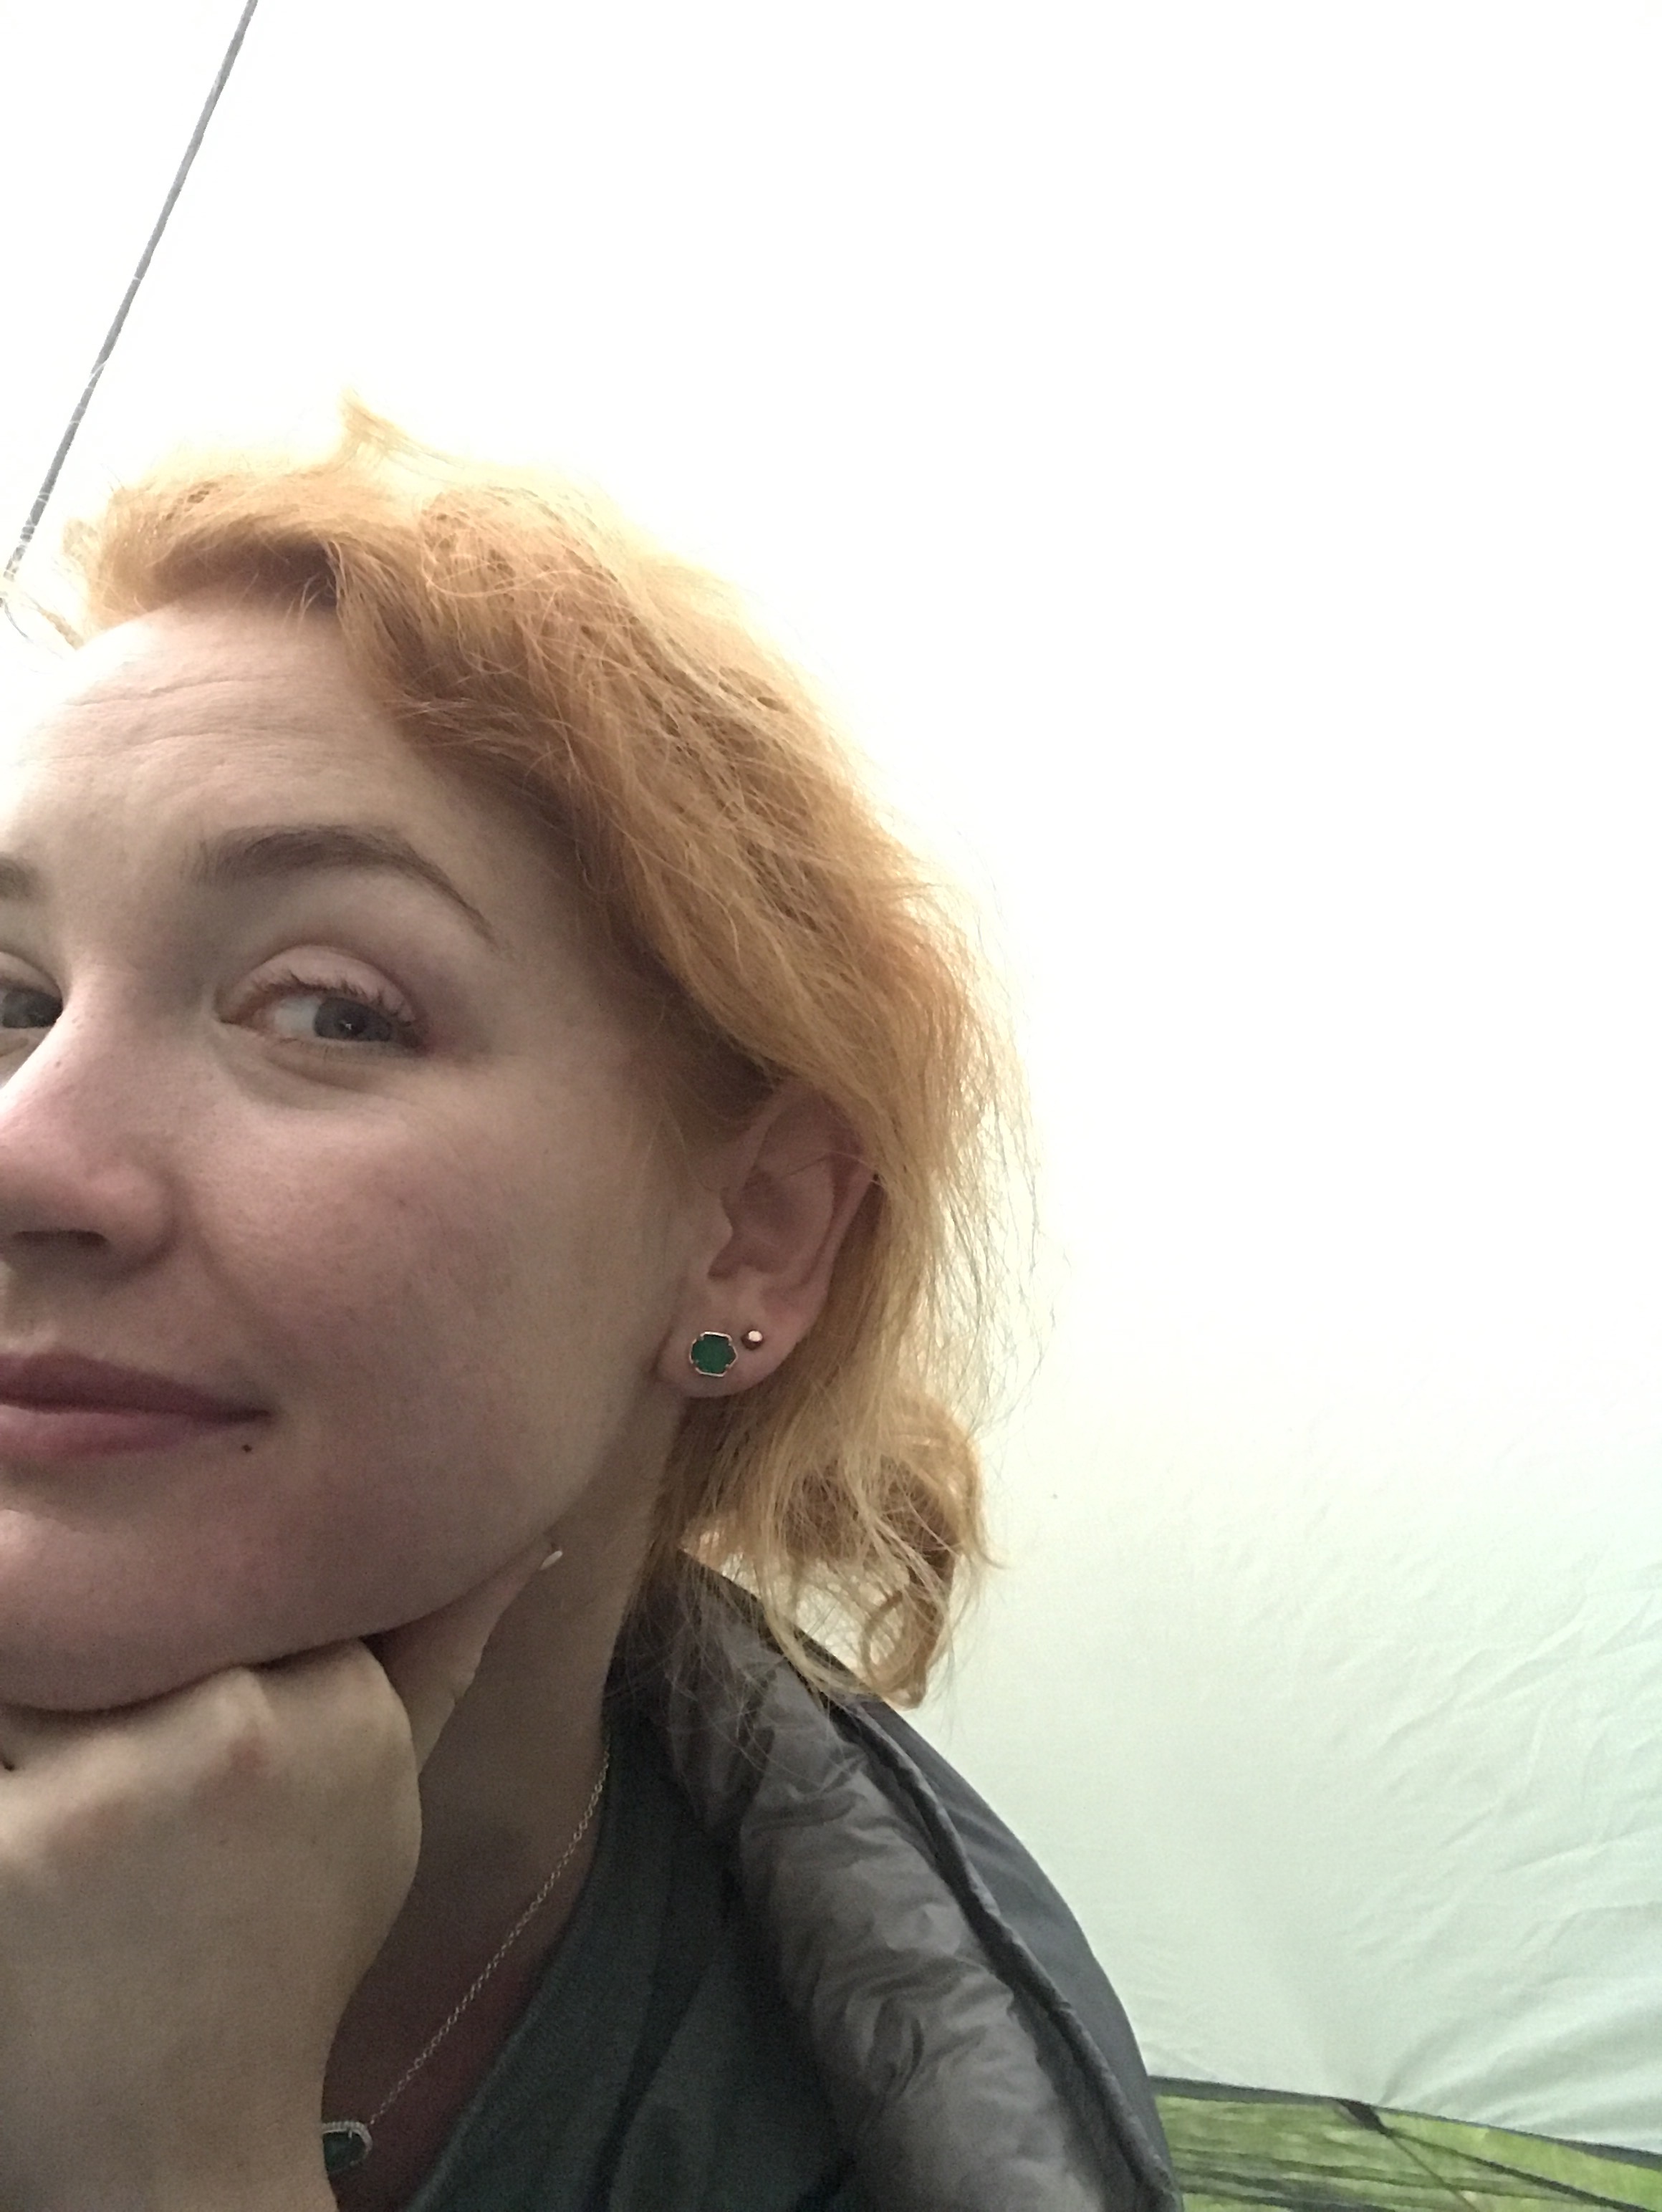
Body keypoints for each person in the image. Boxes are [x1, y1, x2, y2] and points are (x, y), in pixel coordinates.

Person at [0, 405, 1178, 2212]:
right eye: (12, 997)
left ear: (753, 1238)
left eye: (328, 1008)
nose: (28, 1149)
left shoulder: (867, 2126)